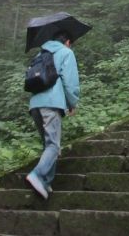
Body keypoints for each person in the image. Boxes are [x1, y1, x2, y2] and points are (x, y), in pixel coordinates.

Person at [26, 30, 80, 200]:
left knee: (48, 145)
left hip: (35, 105)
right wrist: (72, 103)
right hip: (52, 104)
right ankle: (37, 174)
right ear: (68, 42)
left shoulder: (41, 54)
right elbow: (70, 82)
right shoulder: (66, 53)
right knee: (54, 146)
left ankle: (46, 182)